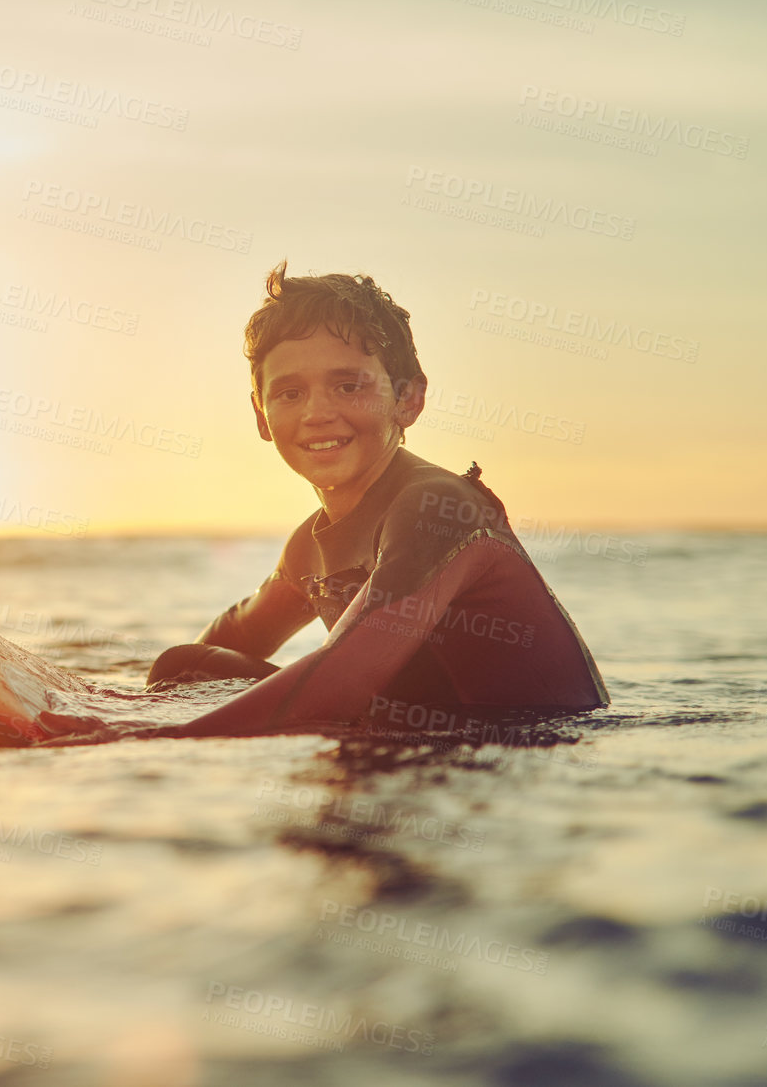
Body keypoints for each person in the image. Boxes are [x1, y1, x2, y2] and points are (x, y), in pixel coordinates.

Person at [47, 262, 606, 742]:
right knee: (185, 668)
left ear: (408, 399)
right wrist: (106, 703)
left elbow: (343, 679)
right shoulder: (308, 549)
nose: (317, 413)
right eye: (290, 393)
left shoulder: (437, 506)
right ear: (262, 417)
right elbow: (223, 646)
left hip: (523, 753)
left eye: (348, 386)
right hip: (422, 740)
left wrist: (141, 739)